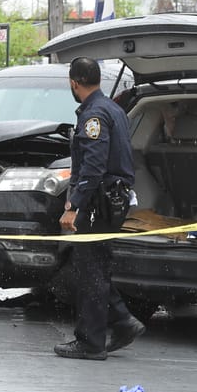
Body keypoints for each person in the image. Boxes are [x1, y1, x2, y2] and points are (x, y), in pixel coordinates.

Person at [54, 56, 145, 360]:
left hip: (99, 202)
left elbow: (93, 166)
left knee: (89, 270)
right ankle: (122, 321)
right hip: (111, 199)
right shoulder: (114, 109)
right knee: (96, 267)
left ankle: (91, 342)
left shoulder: (94, 116)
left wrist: (74, 207)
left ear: (74, 82)